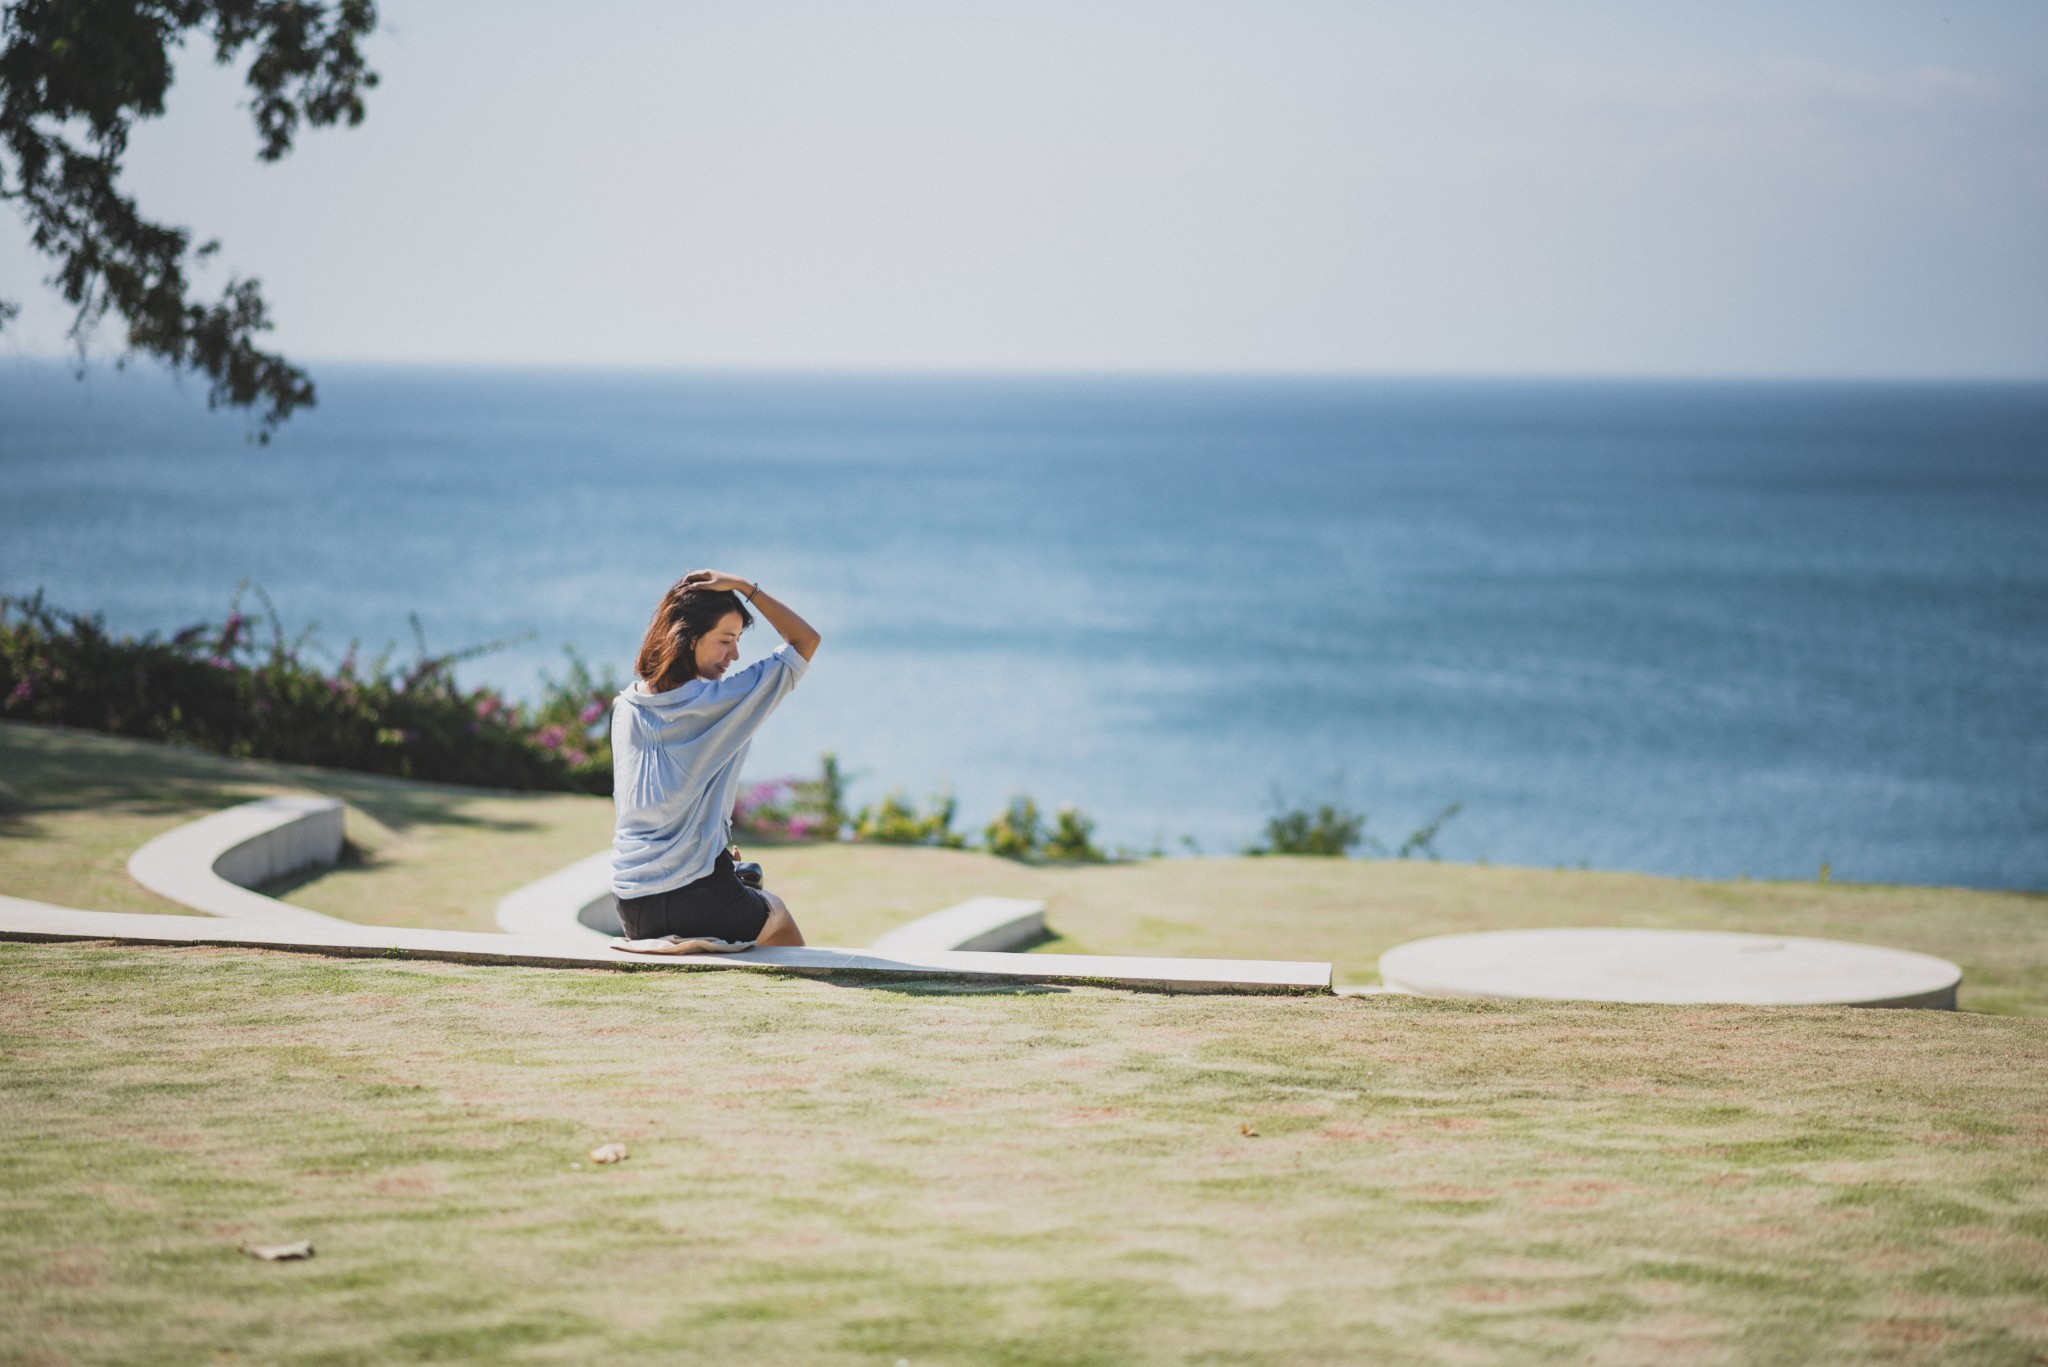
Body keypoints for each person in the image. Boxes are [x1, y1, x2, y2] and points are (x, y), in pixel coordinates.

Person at [610, 569, 821, 948]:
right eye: (726, 640)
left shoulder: (624, 707)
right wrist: (745, 587)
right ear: (687, 637)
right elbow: (804, 641)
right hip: (697, 898)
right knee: (778, 916)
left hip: (631, 906)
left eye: (738, 640)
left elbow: (656, 801)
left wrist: (712, 846)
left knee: (739, 882)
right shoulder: (720, 702)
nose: (735, 655)